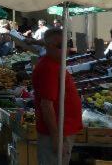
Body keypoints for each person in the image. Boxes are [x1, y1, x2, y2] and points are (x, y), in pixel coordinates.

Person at [33, 28, 82, 165]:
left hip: (63, 129)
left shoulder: (55, 63)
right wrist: (56, 138)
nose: (65, 49)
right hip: (57, 132)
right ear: (48, 46)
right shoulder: (49, 68)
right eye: (60, 46)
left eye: (67, 44)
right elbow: (46, 105)